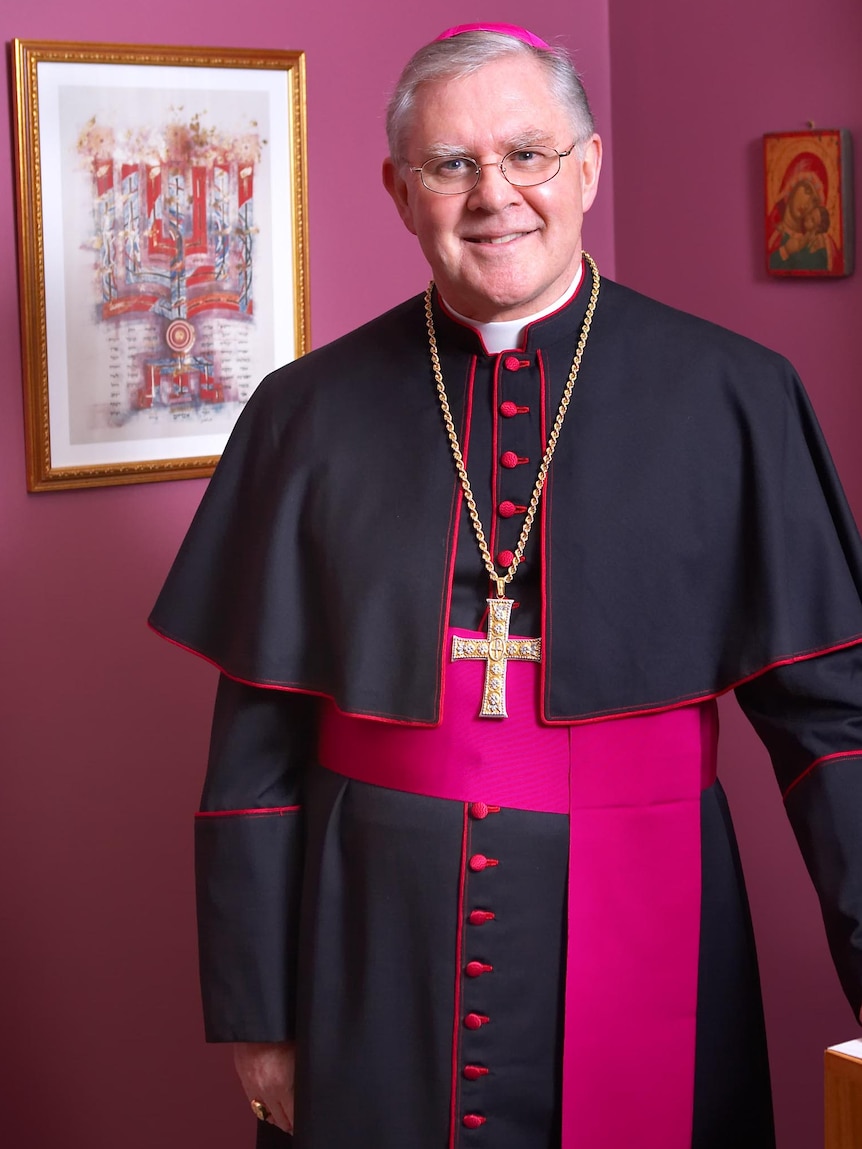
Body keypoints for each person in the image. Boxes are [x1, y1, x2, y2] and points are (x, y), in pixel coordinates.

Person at [150, 23, 862, 1149]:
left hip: (654, 920)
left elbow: (836, 735)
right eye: (451, 165)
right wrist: (259, 1014)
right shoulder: (302, 412)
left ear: (585, 168)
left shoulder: (736, 396)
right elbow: (256, 744)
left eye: (527, 154)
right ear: (398, 190)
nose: (495, 196)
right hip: (374, 960)